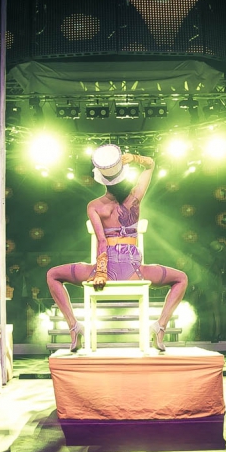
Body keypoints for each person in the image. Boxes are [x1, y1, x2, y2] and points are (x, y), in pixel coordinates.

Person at [46, 144, 188, 352]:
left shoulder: (94, 206)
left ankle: (74, 327)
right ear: (123, 177)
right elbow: (151, 165)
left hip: (106, 271)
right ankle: (159, 327)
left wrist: (100, 272)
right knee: (181, 278)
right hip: (135, 272)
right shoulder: (136, 197)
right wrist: (135, 158)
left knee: (52, 274)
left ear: (103, 181)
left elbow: (102, 241)